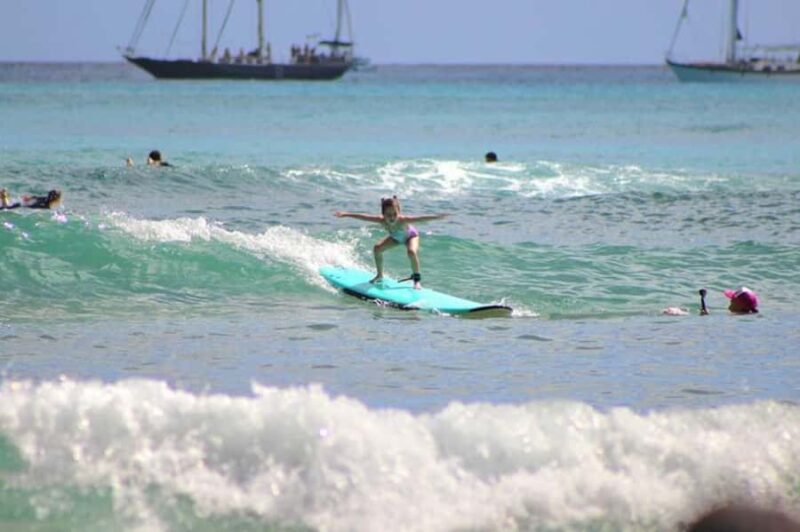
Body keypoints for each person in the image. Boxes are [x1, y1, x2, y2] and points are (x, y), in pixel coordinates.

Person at [334, 196, 447, 289]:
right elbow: (364, 217)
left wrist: (437, 217)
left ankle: (417, 280)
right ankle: (379, 275)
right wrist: (346, 214)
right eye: (388, 215)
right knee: (377, 248)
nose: (392, 218)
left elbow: (421, 219)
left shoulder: (403, 220)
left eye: (394, 214)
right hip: (396, 238)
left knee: (411, 252)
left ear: (399, 212)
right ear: (383, 215)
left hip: (411, 236)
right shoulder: (381, 220)